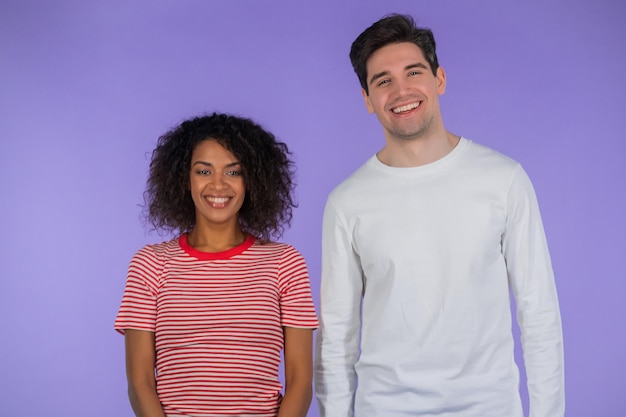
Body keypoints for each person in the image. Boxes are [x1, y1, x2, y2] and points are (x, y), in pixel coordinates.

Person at [314, 14, 564, 417]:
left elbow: (539, 312)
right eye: (383, 80)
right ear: (366, 99)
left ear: (439, 79)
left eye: (413, 72)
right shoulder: (347, 202)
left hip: (489, 408)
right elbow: (336, 336)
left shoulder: (503, 179)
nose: (401, 90)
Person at [114, 113, 318, 417]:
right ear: (184, 178)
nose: (218, 185)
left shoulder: (284, 263)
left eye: (233, 172)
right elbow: (140, 383)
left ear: (253, 179)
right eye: (203, 171)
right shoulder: (150, 265)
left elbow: (301, 382)